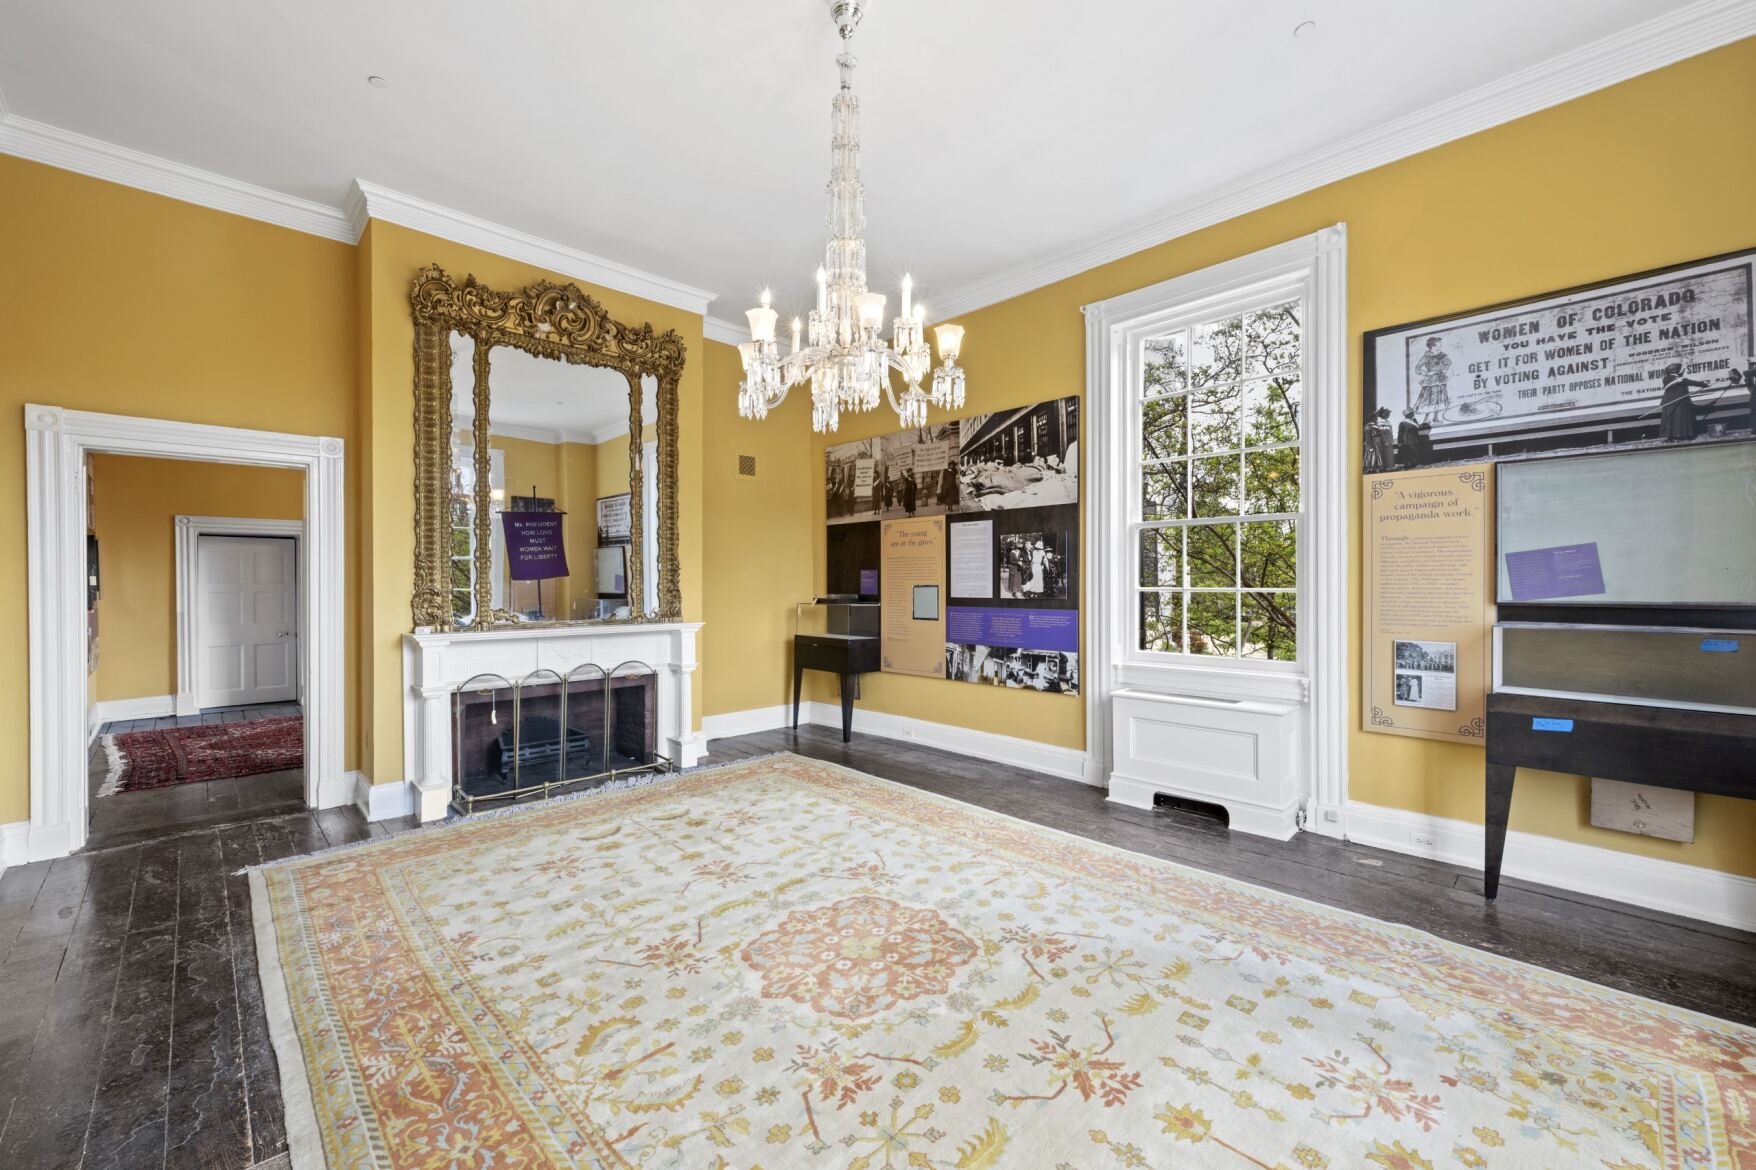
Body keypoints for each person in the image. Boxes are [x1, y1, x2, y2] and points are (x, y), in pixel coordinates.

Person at [1658, 362, 1712, 441]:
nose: (1681, 371)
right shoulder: (1680, 379)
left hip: (1668, 403)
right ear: (1676, 371)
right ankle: (1682, 436)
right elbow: (1693, 383)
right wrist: (1705, 384)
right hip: (1680, 403)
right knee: (1680, 419)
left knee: (1671, 420)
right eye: (1680, 369)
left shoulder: (1665, 379)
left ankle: (1671, 436)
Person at [1413, 337, 1452, 420]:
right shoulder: (1426, 356)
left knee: (1439, 397)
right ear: (1433, 345)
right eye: (1439, 342)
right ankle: (1426, 419)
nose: (1440, 344)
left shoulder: (1442, 354)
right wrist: (1426, 373)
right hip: (1431, 380)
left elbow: (1448, 363)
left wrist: (1444, 370)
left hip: (1440, 378)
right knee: (1430, 399)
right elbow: (1417, 368)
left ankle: (1435, 417)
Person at [1364, 407, 1394, 472]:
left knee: (1378, 456)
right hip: (1373, 442)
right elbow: (1367, 437)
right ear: (1371, 418)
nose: (1376, 418)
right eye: (1375, 417)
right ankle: (1371, 468)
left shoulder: (1375, 425)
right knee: (1372, 456)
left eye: (1376, 417)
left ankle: (1378, 468)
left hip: (1378, 442)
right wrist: (1370, 446)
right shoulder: (1368, 426)